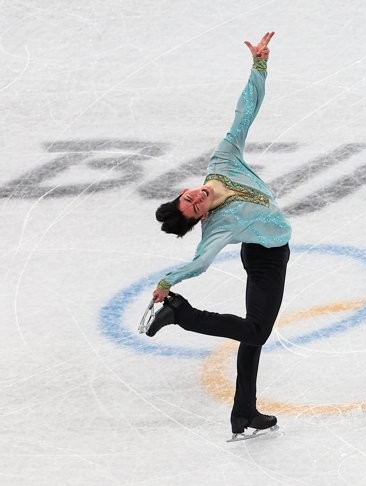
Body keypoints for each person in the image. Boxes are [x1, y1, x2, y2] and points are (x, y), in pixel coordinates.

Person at [145, 32, 290, 440]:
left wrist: (259, 65)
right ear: (198, 218)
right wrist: (167, 284)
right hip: (265, 260)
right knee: (257, 332)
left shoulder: (222, 160)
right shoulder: (217, 227)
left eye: (186, 196)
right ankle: (181, 314)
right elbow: (201, 262)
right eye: (193, 208)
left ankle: (243, 413)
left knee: (252, 335)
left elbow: (246, 111)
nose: (194, 197)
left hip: (273, 253)